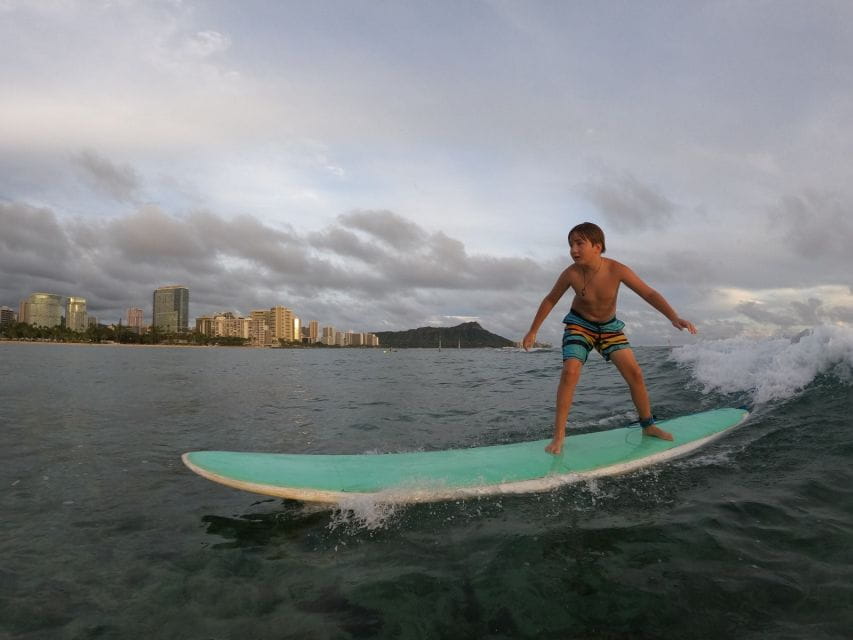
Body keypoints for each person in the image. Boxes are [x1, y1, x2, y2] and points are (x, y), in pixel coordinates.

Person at [522, 222, 697, 454]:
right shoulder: (570, 273)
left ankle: (648, 426)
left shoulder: (617, 270)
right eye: (571, 244)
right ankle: (559, 436)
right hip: (579, 324)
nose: (573, 249)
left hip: (609, 327)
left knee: (635, 372)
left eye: (579, 243)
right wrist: (533, 330)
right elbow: (550, 299)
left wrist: (673, 317)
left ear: (597, 246)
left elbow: (649, 293)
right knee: (571, 370)